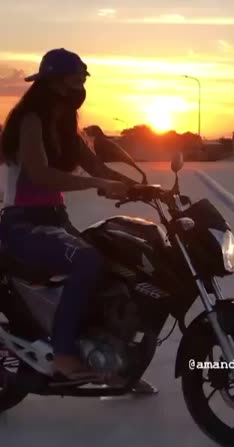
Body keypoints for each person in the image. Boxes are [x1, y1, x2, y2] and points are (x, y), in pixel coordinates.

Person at [0, 48, 156, 393]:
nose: (80, 88)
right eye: (74, 81)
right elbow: (40, 175)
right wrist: (96, 183)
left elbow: (96, 167)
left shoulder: (65, 126)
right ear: (53, 83)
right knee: (86, 259)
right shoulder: (30, 121)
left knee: (116, 262)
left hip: (55, 219)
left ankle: (112, 360)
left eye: (82, 81)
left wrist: (141, 188)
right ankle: (63, 353)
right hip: (22, 224)